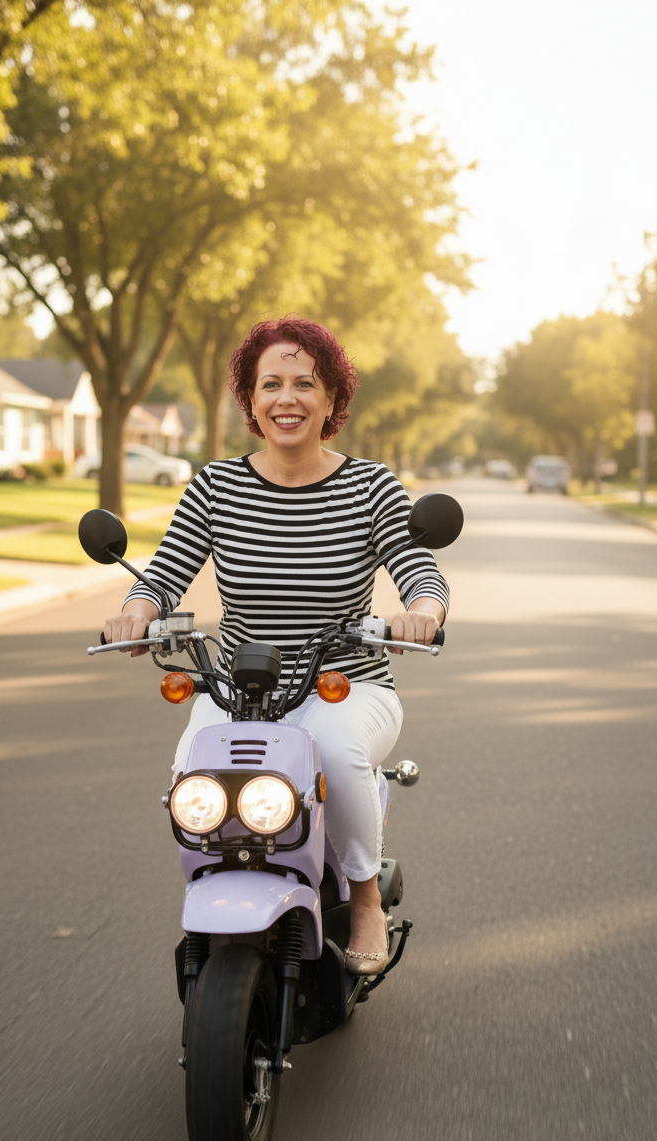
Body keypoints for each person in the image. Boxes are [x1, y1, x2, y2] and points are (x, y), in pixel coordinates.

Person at [103, 316, 448, 974]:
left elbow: (418, 569)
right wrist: (137, 612)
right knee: (191, 777)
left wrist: (422, 612)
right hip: (237, 687)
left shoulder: (370, 486)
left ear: (331, 401)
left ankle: (366, 898)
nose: (286, 398)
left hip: (345, 685)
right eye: (271, 385)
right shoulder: (216, 486)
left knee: (341, 757)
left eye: (304, 384)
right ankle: (220, 894)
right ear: (251, 400)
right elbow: (166, 571)